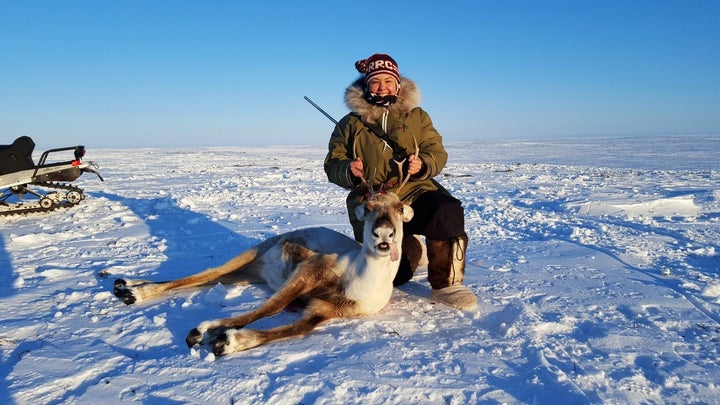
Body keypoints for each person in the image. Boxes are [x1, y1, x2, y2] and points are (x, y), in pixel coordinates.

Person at [324, 53, 477, 311]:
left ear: (397, 85)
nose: (382, 87)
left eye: (388, 81)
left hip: (414, 190)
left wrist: (424, 164)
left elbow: (436, 151)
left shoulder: (417, 117)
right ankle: (412, 247)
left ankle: (446, 285)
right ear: (365, 85)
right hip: (372, 198)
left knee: (446, 211)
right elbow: (333, 163)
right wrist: (348, 170)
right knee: (398, 276)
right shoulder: (349, 124)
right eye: (375, 82)